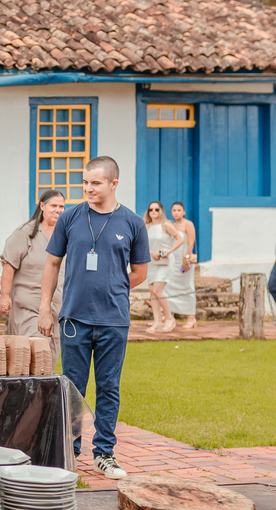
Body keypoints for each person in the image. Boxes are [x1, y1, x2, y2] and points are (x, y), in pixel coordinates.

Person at [39, 156, 149, 480]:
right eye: (85, 182)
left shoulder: (133, 223)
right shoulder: (70, 217)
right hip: (74, 317)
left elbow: (140, 272)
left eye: (95, 183)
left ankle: (104, 453)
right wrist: (45, 307)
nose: (88, 188)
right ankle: (68, 452)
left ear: (113, 184)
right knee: (72, 389)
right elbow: (52, 264)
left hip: (114, 320)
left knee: (109, 388)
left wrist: (112, 287)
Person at [0, 189, 65, 357]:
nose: (58, 210)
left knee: (50, 357)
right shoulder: (26, 233)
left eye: (62, 207)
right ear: (42, 206)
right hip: (28, 305)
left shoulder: (65, 234)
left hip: (57, 308)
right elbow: (9, 264)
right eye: (54, 206)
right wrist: (5, 296)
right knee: (34, 352)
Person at [142, 201, 184, 333]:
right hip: (151, 261)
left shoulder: (166, 225)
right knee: (152, 291)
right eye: (151, 209)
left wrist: (169, 251)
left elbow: (180, 239)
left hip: (165, 261)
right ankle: (157, 321)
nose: (153, 212)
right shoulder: (146, 226)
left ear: (161, 211)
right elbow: (142, 244)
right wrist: (151, 253)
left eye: (156, 209)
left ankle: (169, 318)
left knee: (157, 290)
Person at [165, 201, 198, 328]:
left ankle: (191, 318)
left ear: (183, 212)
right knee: (169, 287)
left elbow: (191, 242)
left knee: (187, 286)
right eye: (174, 210)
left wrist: (187, 259)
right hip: (173, 260)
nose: (176, 213)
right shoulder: (171, 225)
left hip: (184, 259)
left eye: (179, 210)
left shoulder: (188, 224)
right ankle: (169, 316)